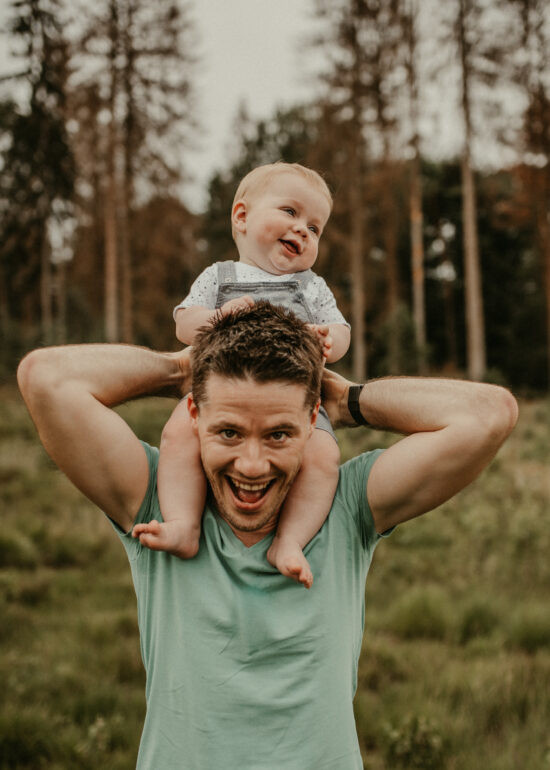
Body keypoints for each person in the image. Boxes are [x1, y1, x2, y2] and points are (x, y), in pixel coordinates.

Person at [17, 303, 517, 770]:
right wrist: (184, 370)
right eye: (229, 432)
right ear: (194, 416)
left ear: (311, 421)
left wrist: (347, 400)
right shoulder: (157, 505)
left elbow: (489, 414)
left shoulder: (347, 506)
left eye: (278, 434)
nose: (252, 466)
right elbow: (45, 379)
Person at [149, 162, 351, 589]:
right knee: (178, 435)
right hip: (219, 399)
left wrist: (329, 339)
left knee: (323, 457)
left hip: (294, 407)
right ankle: (183, 524)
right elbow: (184, 323)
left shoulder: (311, 286)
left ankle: (289, 541)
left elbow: (341, 329)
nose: (302, 230)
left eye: (315, 228)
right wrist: (219, 315)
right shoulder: (220, 276)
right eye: (290, 212)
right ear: (241, 216)